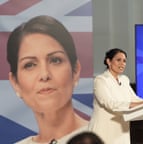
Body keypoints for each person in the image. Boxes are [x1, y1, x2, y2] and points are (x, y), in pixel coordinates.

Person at [6, 15, 89, 144]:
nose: (44, 75)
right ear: (15, 83)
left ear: (76, 70)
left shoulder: (108, 137)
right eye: (30, 65)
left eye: (55, 60)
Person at [88, 48, 143, 144]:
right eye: (118, 60)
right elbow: (109, 104)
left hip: (121, 130)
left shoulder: (124, 80)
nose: (122, 64)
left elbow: (134, 99)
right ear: (108, 61)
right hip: (104, 130)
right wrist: (137, 104)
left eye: (124, 61)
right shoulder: (100, 80)